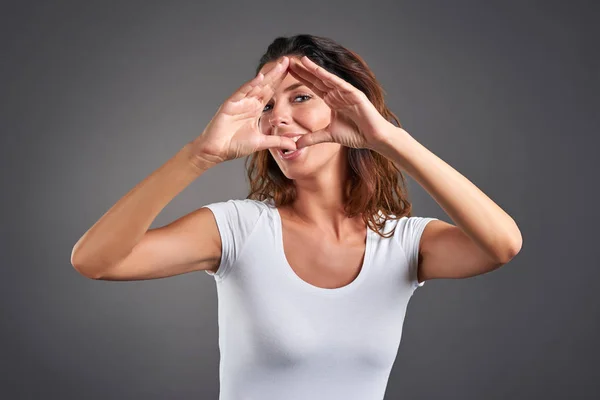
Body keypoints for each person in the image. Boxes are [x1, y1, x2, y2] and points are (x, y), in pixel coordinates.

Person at [71, 34, 522, 400]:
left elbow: (502, 244)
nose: (278, 118)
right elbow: (96, 261)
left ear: (348, 106)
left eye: (300, 97)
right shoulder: (237, 230)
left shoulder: (401, 243)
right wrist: (199, 157)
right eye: (267, 106)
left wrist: (386, 139)